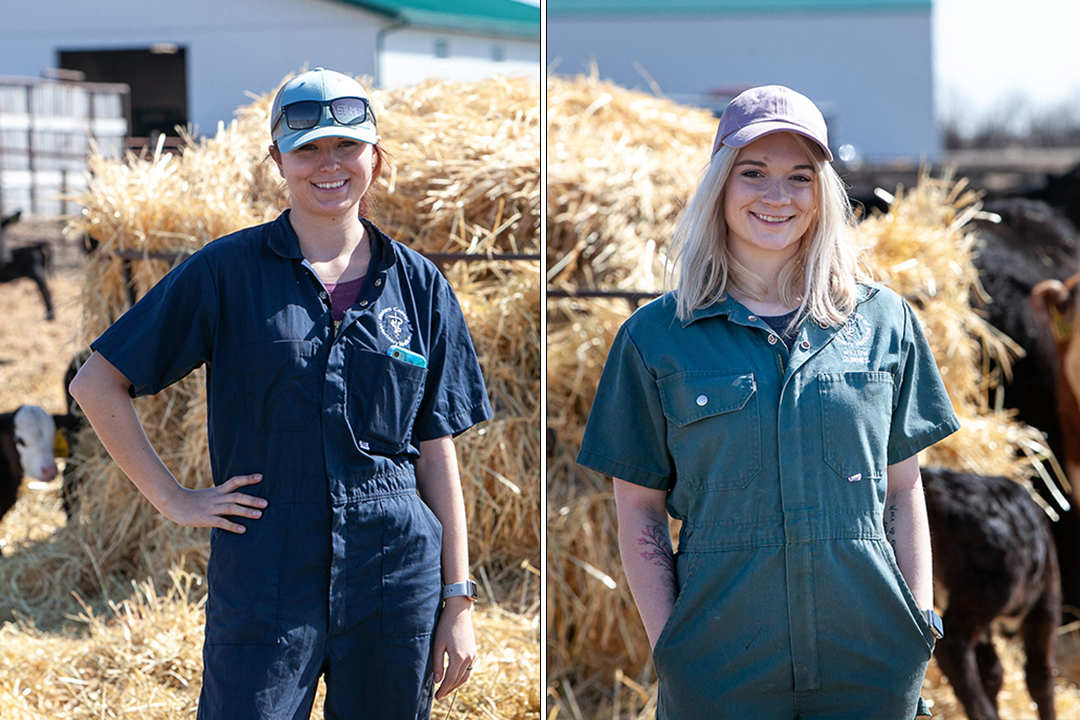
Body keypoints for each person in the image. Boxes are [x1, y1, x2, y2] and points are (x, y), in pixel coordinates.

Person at [69, 67, 492, 720]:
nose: (330, 165)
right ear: (278, 160)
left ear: (374, 159)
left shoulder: (419, 285)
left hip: (393, 572)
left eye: (347, 146)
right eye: (308, 149)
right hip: (265, 569)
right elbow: (97, 383)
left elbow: (436, 452)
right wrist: (175, 499)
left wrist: (458, 601)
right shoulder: (225, 271)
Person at [577, 85, 959, 720]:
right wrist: (672, 646)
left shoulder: (885, 322)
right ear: (721, 186)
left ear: (823, 193)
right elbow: (638, 509)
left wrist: (915, 625)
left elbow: (903, 490)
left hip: (872, 657)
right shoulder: (656, 336)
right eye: (753, 174)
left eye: (798, 178)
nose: (776, 197)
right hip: (719, 666)